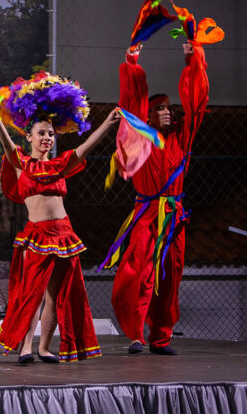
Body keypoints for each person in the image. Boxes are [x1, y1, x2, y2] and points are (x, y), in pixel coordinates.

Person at [0, 72, 119, 363]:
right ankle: (25, 347)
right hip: (37, 234)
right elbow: (6, 144)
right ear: (29, 136)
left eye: (50, 134)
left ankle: (45, 347)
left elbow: (86, 147)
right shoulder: (21, 163)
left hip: (64, 234)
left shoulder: (61, 164)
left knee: (56, 294)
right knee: (32, 293)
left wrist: (107, 124)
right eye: (41, 133)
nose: (47, 138)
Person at [105, 40, 208, 355]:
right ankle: (136, 335)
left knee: (171, 276)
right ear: (148, 114)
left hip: (174, 217)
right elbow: (130, 105)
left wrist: (193, 60)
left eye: (168, 107)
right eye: (160, 107)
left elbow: (196, 102)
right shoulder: (138, 137)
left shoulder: (181, 136)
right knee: (138, 272)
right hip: (147, 214)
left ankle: (161, 337)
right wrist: (133, 63)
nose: (167, 111)